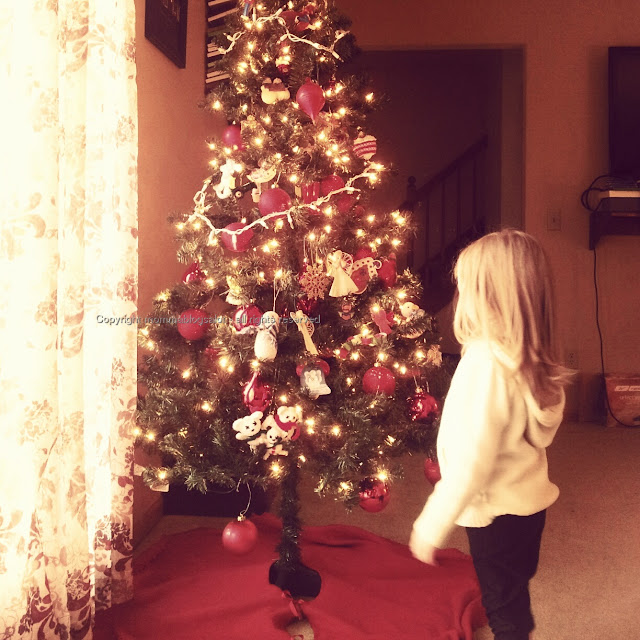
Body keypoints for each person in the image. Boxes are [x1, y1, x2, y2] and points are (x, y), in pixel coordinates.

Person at [409, 229, 571, 640]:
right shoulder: (527, 359)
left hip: (495, 515)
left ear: (492, 298)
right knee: (513, 593)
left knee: (503, 611)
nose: (460, 297)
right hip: (529, 509)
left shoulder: (485, 366)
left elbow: (471, 462)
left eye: (466, 287)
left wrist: (431, 525)